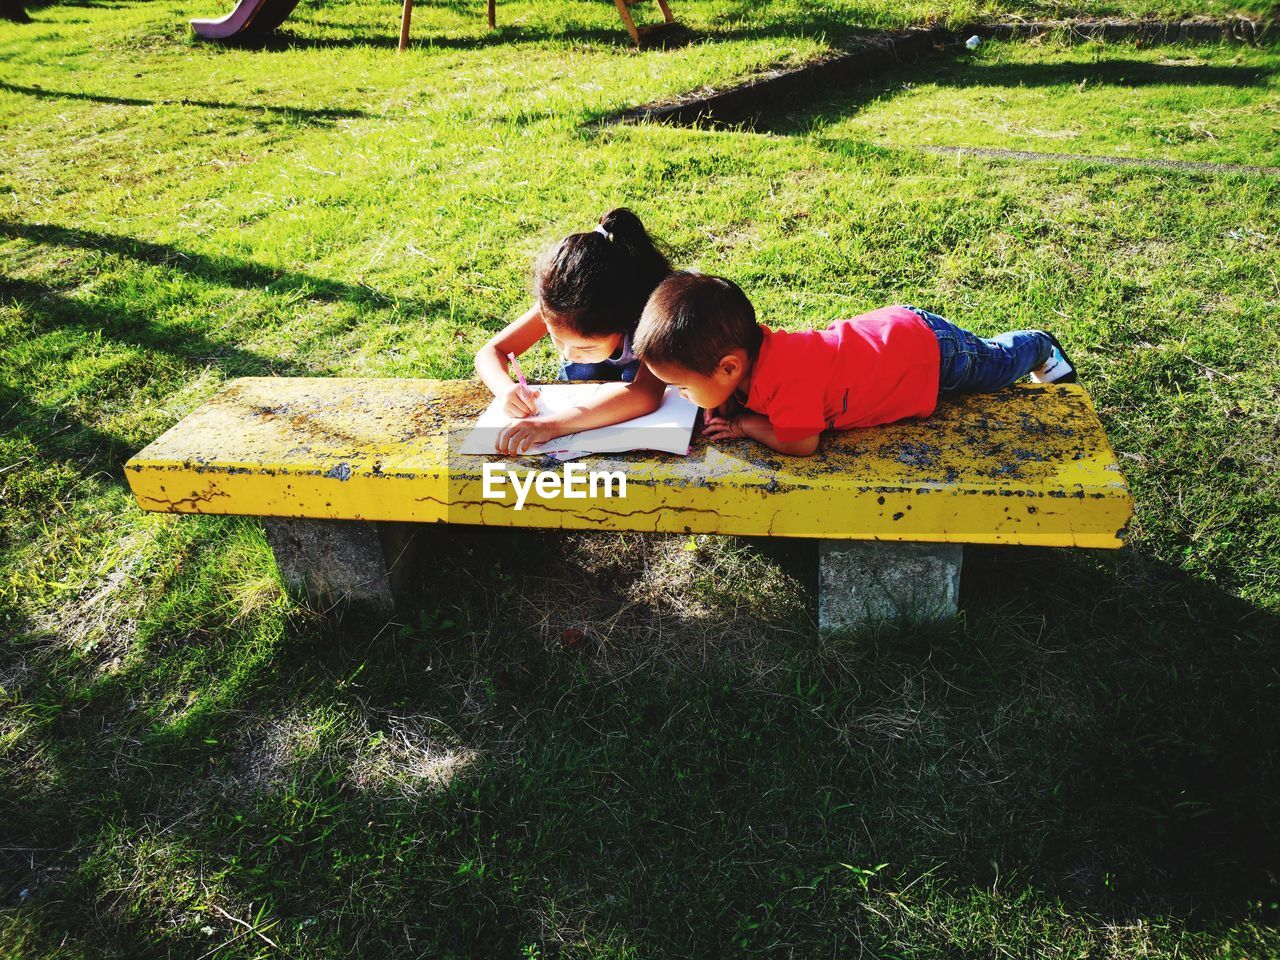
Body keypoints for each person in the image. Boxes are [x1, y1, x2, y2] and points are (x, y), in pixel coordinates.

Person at [632, 271, 1077, 457]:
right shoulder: (751, 358)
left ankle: (1039, 346)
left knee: (994, 368)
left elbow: (802, 443)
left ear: (729, 368)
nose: (680, 396)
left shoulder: (785, 380)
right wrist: (728, 404)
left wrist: (744, 426)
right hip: (892, 337)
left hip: (930, 355)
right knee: (989, 365)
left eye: (684, 388)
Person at [474, 208, 671, 455]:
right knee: (583, 368)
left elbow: (645, 394)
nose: (568, 354)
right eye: (556, 339)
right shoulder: (560, 305)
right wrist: (505, 390)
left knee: (629, 374)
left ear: (624, 320)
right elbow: (491, 352)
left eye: (586, 346)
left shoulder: (653, 312)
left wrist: (551, 426)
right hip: (587, 397)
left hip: (637, 393)